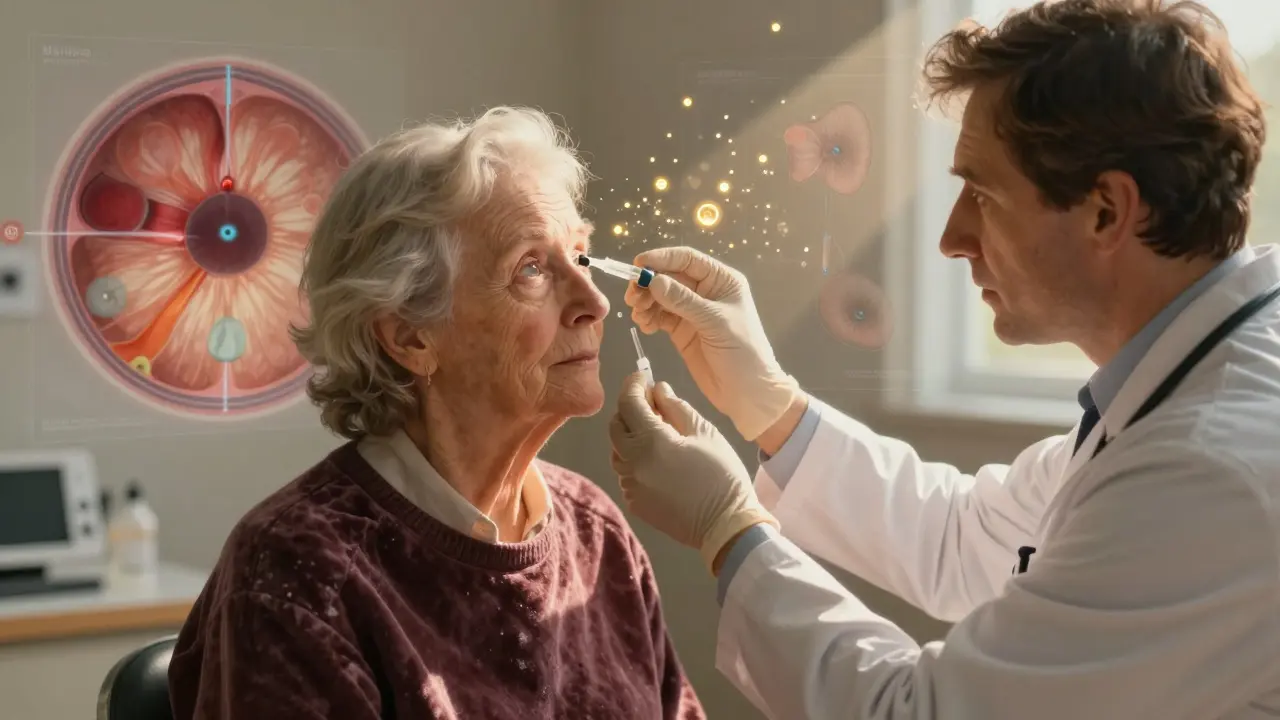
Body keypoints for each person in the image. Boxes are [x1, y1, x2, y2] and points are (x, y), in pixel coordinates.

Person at [608, 1, 1280, 718]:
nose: (952, 238)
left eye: (983, 194)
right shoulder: (1187, 381)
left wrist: (729, 529)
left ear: (1107, 212)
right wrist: (770, 404)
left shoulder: (1210, 471)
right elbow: (966, 541)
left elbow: (920, 713)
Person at [168, 107, 704, 720]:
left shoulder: (597, 534)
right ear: (411, 337)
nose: (593, 301)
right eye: (530, 267)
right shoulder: (301, 568)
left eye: (579, 256)